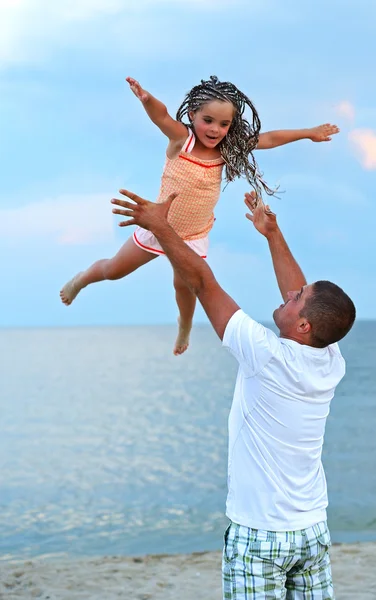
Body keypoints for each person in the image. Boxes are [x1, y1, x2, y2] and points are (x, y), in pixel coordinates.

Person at [110, 187, 356, 600]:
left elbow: (204, 283)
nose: (289, 296)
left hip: (260, 536)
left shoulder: (267, 355)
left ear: (303, 328)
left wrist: (162, 227)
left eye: (296, 300)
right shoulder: (329, 360)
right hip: (311, 530)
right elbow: (303, 301)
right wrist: (272, 234)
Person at [60, 75, 340, 356]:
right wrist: (147, 100)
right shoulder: (183, 140)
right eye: (208, 120)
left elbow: (269, 138)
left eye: (224, 124)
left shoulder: (227, 148)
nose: (215, 129)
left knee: (185, 288)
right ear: (192, 115)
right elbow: (162, 117)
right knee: (114, 270)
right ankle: (81, 279)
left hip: (194, 235)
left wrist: (308, 132)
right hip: (157, 227)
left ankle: (184, 325)